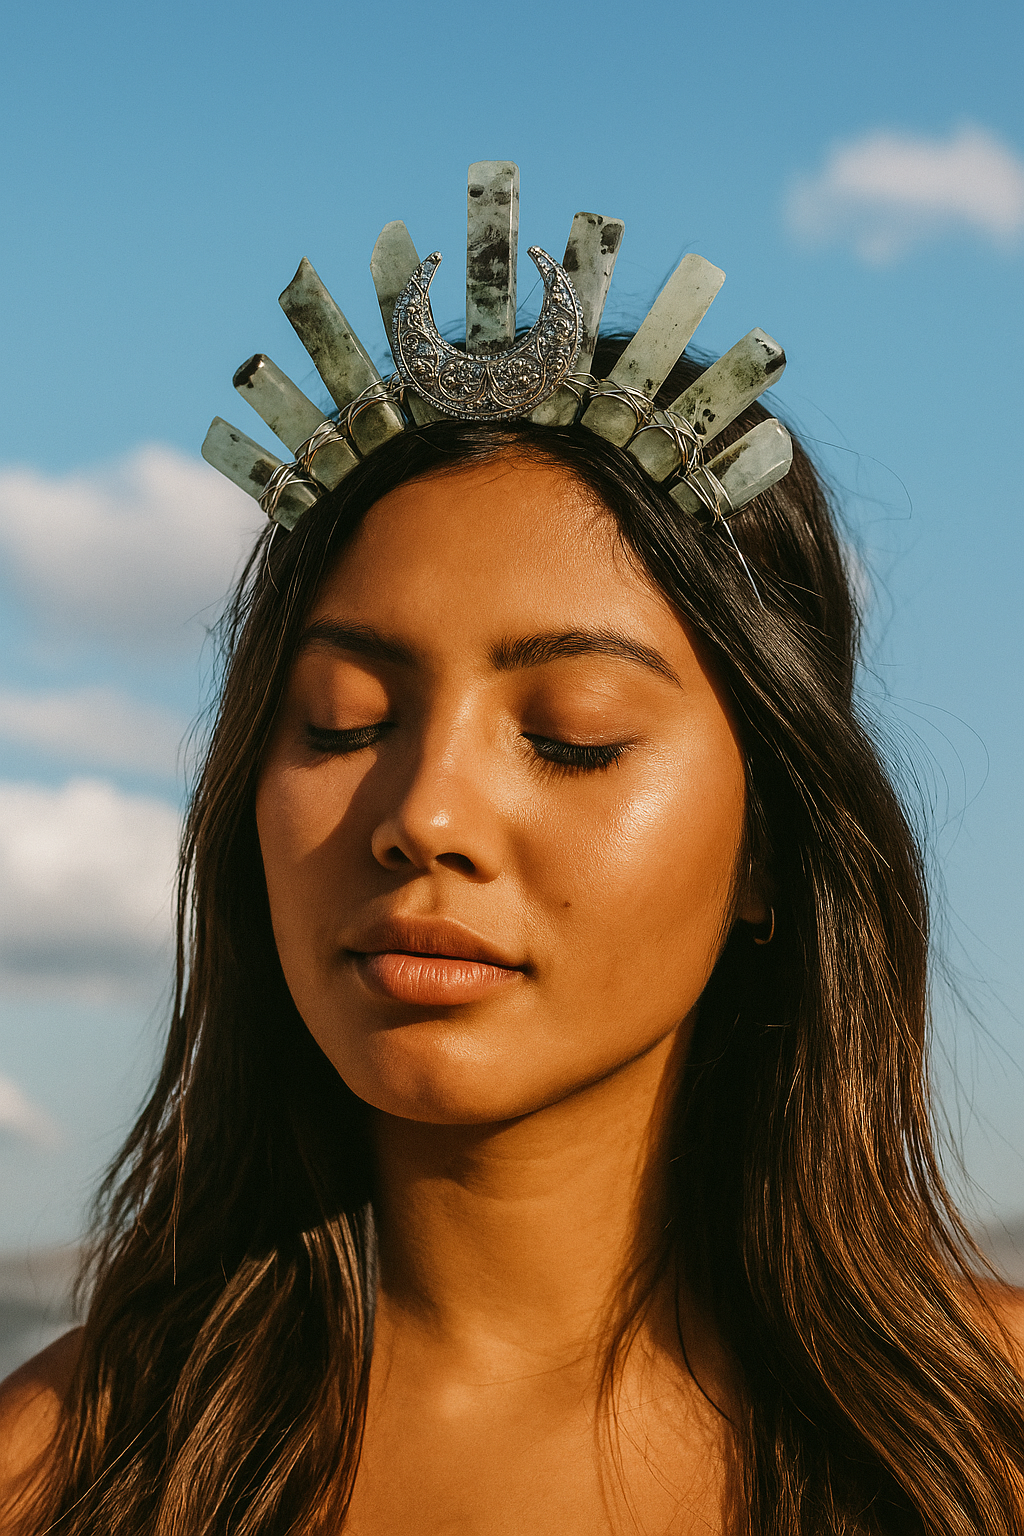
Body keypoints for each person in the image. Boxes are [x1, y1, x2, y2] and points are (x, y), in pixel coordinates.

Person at [2, 170, 1023, 1534]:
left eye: (574, 736)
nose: (423, 814)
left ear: (772, 844)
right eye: (342, 721)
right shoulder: (60, 1473)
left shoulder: (986, 1438)